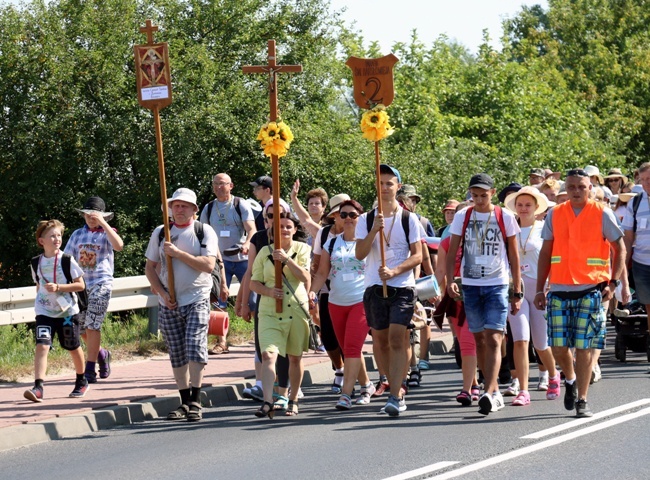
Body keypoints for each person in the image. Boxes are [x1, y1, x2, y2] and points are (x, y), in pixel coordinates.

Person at [535, 168, 625, 418]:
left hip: (591, 288)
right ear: (566, 189)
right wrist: (539, 288)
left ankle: (582, 399)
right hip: (560, 288)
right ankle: (570, 379)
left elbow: (620, 250)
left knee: (585, 346)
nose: (576, 191)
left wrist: (613, 282)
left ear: (590, 188)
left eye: (581, 187)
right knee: (558, 346)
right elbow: (545, 253)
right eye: (572, 187)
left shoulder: (602, 213)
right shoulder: (556, 214)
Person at [446, 173, 522, 416]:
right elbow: (452, 249)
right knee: (479, 339)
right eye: (474, 195)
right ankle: (495, 390)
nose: (478, 199)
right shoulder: (463, 215)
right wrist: (450, 280)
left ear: (492, 192)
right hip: (470, 284)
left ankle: (489, 391)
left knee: (495, 338)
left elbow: (514, 254)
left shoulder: (504, 216)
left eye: (483, 195)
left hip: (497, 284)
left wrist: (517, 289)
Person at [145, 188, 218, 422]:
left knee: (195, 346)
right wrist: (163, 293)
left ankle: (196, 399)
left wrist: (177, 253)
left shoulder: (203, 231)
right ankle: (184, 401)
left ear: (194, 209)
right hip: (169, 302)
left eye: (184, 205)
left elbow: (208, 265)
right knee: (177, 352)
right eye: (175, 205)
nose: (179, 209)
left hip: (196, 297)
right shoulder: (160, 233)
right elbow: (150, 268)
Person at [356, 164, 422, 417]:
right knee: (381, 340)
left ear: (398, 187)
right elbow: (360, 253)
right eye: (380, 183)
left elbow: (417, 256)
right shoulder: (366, 219)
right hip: (374, 286)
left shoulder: (409, 218)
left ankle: (396, 394)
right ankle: (391, 380)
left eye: (389, 183)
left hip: (402, 286)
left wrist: (395, 271)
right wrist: (374, 230)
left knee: (397, 337)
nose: (384, 187)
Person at [310, 199, 377, 409]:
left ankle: (346, 394)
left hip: (361, 300)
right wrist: (311, 292)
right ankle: (366, 385)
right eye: (343, 214)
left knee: (351, 348)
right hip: (335, 302)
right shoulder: (331, 242)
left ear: (360, 217)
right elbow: (322, 273)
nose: (347, 218)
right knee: (349, 350)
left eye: (352, 215)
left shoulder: (369, 242)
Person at [250, 212, 311, 418]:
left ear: (294, 230)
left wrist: (287, 260)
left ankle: (293, 399)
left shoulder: (302, 249)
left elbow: (304, 277)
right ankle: (268, 401)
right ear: (272, 231)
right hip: (269, 310)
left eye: (288, 226)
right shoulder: (264, 252)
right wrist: (267, 291)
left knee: (295, 357)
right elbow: (253, 281)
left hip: (295, 308)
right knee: (268, 354)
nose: (284, 230)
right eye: (280, 227)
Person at [503, 187, 560, 406]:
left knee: (540, 343)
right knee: (520, 339)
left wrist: (549, 286)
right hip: (515, 290)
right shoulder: (509, 229)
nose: (524, 208)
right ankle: (524, 391)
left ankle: (553, 374)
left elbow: (552, 258)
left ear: (537, 208)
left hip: (539, 289)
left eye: (528, 205)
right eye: (520, 205)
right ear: (515, 208)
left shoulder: (543, 228)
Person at [24, 220, 88, 402]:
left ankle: (81, 380)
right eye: (52, 235)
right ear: (41, 240)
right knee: (42, 345)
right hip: (44, 312)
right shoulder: (36, 262)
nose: (57, 238)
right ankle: (38, 388)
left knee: (72, 346)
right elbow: (39, 286)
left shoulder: (67, 260)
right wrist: (40, 303)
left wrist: (59, 287)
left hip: (67, 312)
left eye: (59, 235)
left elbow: (80, 285)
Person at [64, 196, 123, 384]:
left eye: (95, 215)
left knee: (93, 324)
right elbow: (66, 259)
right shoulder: (77, 235)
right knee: (81, 328)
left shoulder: (108, 233)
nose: (91, 218)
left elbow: (119, 246)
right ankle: (101, 353)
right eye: (88, 214)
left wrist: (103, 223)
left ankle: (90, 370)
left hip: (101, 283)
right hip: (82, 286)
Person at [200, 173, 256, 354]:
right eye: (215, 184)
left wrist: (247, 244)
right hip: (218, 260)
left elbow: (252, 229)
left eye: (222, 184)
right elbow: (201, 232)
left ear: (231, 186)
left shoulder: (240, 205)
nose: (218, 187)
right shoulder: (209, 208)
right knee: (218, 300)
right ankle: (221, 342)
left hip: (242, 259)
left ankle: (260, 335)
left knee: (253, 299)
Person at [434, 201, 481, 406]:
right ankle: (475, 383)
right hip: (455, 299)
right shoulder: (446, 243)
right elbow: (440, 272)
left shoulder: (482, 240)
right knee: (464, 343)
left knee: (471, 342)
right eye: (461, 217)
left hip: (479, 296)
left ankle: (466, 389)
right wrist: (434, 292)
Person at [622, 162, 650, 370]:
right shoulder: (636, 203)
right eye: (646, 180)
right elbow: (628, 238)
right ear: (640, 182)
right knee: (649, 309)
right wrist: (622, 267)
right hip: (642, 263)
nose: (649, 183)